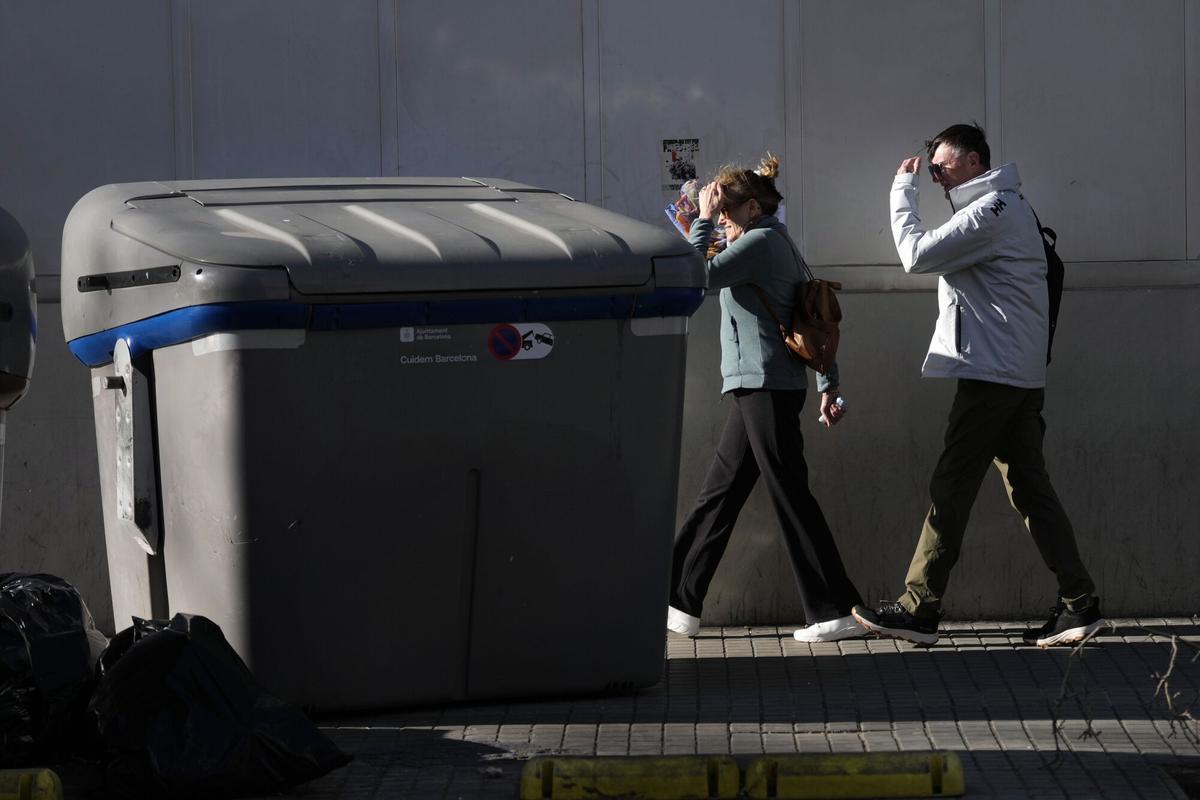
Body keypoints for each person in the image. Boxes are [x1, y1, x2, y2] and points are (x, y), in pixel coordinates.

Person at [852, 123, 1102, 648]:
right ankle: (1080, 603)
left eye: (941, 167)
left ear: (972, 162)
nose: (937, 177)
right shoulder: (1005, 209)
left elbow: (917, 255)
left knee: (953, 484)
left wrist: (902, 192)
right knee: (1030, 488)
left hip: (993, 376)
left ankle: (919, 608)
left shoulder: (992, 211)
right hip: (1014, 373)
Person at [666, 154, 865, 644]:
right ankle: (677, 601)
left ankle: (834, 609)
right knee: (720, 495)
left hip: (765, 388)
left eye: (727, 213)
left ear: (752, 208)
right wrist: (826, 384)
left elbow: (700, 278)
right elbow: (807, 313)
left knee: (790, 493)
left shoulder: (761, 242)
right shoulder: (769, 240)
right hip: (758, 387)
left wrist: (702, 222)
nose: (723, 223)